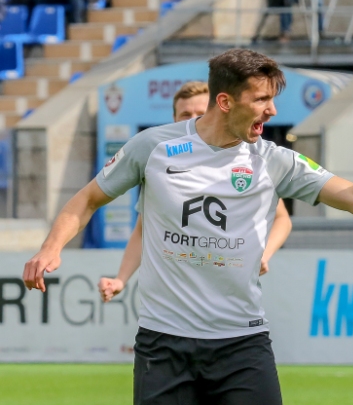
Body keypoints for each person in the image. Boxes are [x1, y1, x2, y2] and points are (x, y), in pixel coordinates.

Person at [23, 48, 353, 405]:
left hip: (241, 344)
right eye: (261, 100)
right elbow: (87, 199)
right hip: (164, 344)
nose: (272, 110)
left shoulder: (273, 160)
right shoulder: (153, 148)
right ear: (225, 102)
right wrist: (51, 247)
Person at [97, 81, 293, 302]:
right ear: (174, 120)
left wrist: (265, 254)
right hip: (175, 300)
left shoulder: (244, 161)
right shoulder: (162, 167)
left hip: (230, 295)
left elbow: (282, 219)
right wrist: (121, 279)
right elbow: (143, 230)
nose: (192, 120)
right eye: (185, 115)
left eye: (200, 114)